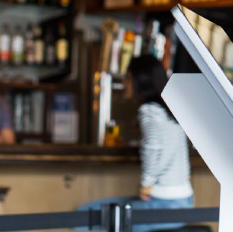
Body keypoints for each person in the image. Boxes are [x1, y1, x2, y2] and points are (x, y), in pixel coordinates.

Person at [77, 55, 193, 232]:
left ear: (141, 81)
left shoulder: (148, 110)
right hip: (184, 202)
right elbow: (165, 144)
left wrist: (145, 186)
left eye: (128, 78)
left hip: (163, 205)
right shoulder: (171, 110)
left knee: (84, 216)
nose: (124, 84)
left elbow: (153, 145)